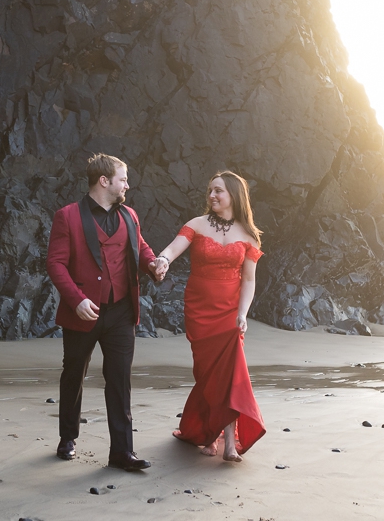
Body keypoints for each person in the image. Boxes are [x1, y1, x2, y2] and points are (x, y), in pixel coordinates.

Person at [45, 153, 162, 471]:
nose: (128, 184)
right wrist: (76, 300)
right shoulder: (67, 216)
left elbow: (140, 246)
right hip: (84, 312)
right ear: (104, 181)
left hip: (122, 311)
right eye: (123, 178)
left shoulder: (130, 216)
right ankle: (67, 437)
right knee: (74, 375)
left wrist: (153, 264)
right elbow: (54, 263)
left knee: (120, 379)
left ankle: (122, 452)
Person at [150, 171, 266, 461]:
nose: (212, 195)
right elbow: (174, 248)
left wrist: (243, 314)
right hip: (200, 309)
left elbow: (249, 280)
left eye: (219, 191)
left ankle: (227, 442)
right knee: (206, 373)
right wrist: (162, 260)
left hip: (230, 311)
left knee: (230, 373)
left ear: (234, 196)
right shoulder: (196, 225)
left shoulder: (250, 235)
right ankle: (208, 433)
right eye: (210, 190)